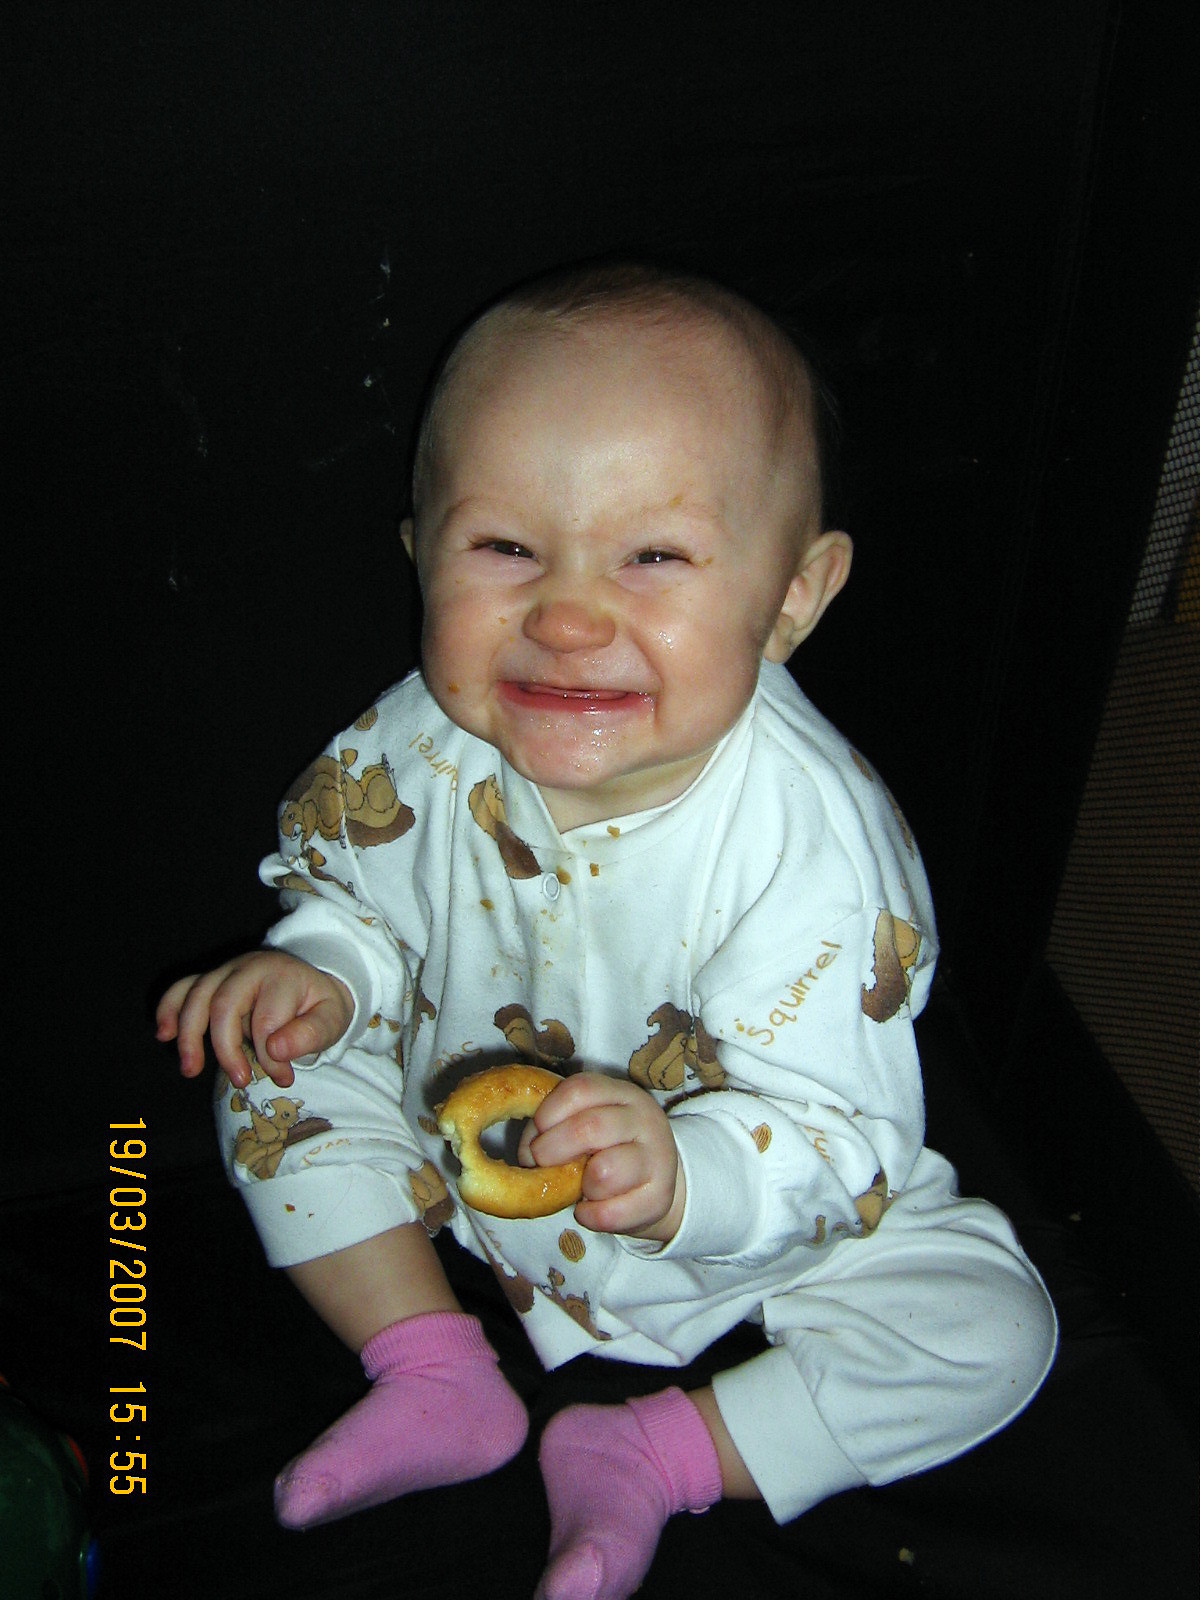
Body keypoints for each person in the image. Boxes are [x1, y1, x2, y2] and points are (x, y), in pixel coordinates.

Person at [157, 262, 1057, 1600]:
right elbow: (354, 898)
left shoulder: (811, 850)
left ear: (792, 596)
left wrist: (690, 1174)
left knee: (991, 1329)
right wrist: (322, 974)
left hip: (744, 1208)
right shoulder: (424, 734)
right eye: (505, 550)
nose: (569, 617)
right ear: (419, 552)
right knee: (266, 1067)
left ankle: (662, 1451)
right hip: (452, 1134)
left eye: (654, 557)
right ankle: (431, 1367)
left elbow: (834, 1131)